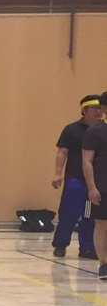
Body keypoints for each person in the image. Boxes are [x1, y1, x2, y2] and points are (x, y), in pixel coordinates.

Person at [52, 93, 103, 260]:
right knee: (69, 213)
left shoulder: (102, 130)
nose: (98, 111)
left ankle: (87, 248)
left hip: (94, 182)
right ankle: (60, 244)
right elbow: (62, 152)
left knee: (89, 216)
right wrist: (58, 173)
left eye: (99, 108)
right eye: (93, 108)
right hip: (75, 179)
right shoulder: (71, 129)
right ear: (84, 110)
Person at [79, 91, 107, 279]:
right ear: (104, 109)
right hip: (103, 186)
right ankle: (104, 263)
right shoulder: (95, 132)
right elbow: (87, 161)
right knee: (101, 225)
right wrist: (92, 187)